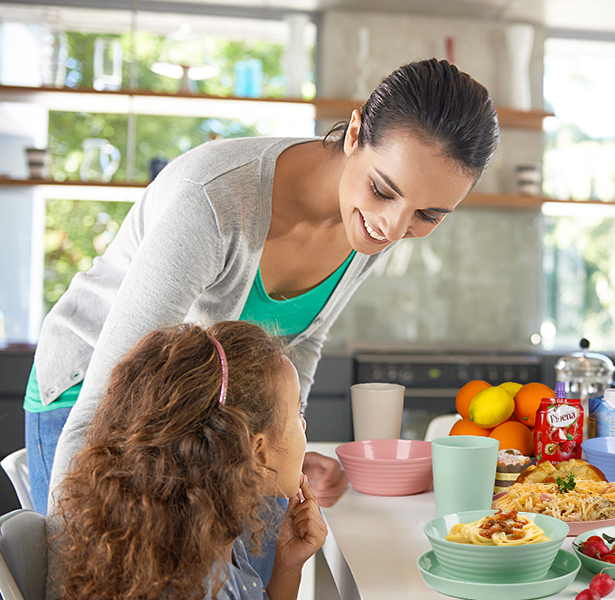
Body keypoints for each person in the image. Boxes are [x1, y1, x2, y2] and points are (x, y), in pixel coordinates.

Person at [26, 58, 500, 516]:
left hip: (193, 422)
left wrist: (286, 441)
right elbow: (103, 405)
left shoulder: (367, 226)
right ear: (355, 133)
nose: (393, 228)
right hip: (89, 398)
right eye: (382, 190)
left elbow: (301, 340)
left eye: (427, 215)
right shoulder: (212, 202)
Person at [49, 321, 326, 600]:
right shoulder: (204, 585)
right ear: (257, 451)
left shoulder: (204, 540)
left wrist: (289, 566)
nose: (303, 424)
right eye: (297, 412)